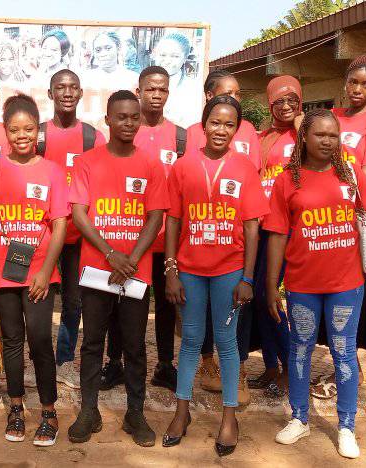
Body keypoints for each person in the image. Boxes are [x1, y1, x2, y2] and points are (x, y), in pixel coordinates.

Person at [265, 109, 366, 459]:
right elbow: (277, 237)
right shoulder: (288, 181)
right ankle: (299, 418)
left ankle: (346, 426)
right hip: (302, 284)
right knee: (299, 351)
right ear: (305, 138)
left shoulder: (352, 175)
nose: (328, 141)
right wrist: (272, 285)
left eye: (334, 135)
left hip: (346, 283)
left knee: (344, 354)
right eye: (320, 135)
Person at [161, 95, 267, 455]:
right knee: (190, 341)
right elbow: (173, 220)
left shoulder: (245, 168)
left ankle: (229, 418)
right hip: (190, 269)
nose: (221, 130)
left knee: (227, 343)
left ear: (236, 130)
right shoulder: (183, 165)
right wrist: (171, 269)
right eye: (215, 123)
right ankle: (181, 411)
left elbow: (252, 227)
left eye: (229, 125)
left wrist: (248, 278)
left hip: (229, 270)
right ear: (203, 125)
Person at [67, 90, 168, 447]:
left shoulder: (151, 165)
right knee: (92, 342)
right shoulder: (87, 162)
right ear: (107, 120)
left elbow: (155, 217)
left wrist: (130, 260)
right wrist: (111, 254)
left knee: (135, 345)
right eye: (121, 117)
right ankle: (88, 410)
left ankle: (135, 413)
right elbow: (79, 214)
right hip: (96, 270)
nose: (128, 123)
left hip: (136, 274)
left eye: (134, 117)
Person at [0, 95, 68, 446]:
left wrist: (46, 271)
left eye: (28, 129)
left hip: (40, 274)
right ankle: (15, 406)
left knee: (41, 340)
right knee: (12, 340)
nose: (22, 136)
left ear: (37, 130)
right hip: (1, 271)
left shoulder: (53, 170)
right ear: (6, 132)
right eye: (14, 130)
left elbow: (59, 226)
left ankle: (49, 410)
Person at [311, 54, 366, 400]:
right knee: (326, 291)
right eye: (353, 82)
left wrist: (337, 191)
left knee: (354, 293)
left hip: (356, 218)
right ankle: (341, 364)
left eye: (365, 84)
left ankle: (351, 369)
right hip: (325, 219)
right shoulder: (335, 116)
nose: (357, 89)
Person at [185, 69, 262, 400]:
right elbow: (182, 206)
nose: (231, 98)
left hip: (231, 256)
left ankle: (236, 376)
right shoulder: (189, 139)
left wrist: (247, 273)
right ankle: (202, 370)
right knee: (193, 328)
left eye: (237, 93)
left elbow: (250, 215)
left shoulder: (246, 151)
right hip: (195, 255)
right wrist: (173, 264)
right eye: (224, 93)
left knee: (230, 329)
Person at [104, 65, 182, 393]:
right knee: (117, 301)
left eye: (162, 89)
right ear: (139, 91)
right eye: (150, 89)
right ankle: (115, 363)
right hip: (126, 236)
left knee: (164, 304)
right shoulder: (126, 130)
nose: (156, 94)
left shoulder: (181, 136)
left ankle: (165, 365)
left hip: (164, 238)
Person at [41, 70, 106, 390]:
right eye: (60, 87)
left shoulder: (93, 137)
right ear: (50, 93)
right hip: (37, 234)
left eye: (73, 87)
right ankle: (32, 362)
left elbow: (104, 185)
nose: (66, 92)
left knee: (73, 302)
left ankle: (63, 361)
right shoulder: (37, 135)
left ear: (81, 94)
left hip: (79, 236)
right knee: (29, 297)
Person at [248, 75, 302, 398]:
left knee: (271, 296)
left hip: (291, 228)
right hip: (263, 226)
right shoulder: (263, 137)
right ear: (269, 104)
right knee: (257, 296)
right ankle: (271, 365)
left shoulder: (305, 133)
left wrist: (299, 120)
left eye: (292, 100)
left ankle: (289, 365)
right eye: (279, 101)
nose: (285, 106)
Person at [150, 33, 200, 125]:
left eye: (175, 56)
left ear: (185, 58)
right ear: (155, 55)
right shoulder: (142, 83)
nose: (167, 61)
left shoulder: (193, 88)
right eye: (163, 55)